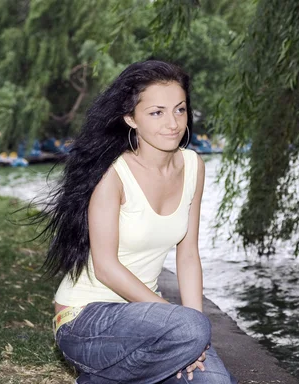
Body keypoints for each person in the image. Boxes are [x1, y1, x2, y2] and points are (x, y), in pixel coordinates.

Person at [36, 59, 238, 384]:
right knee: (190, 327)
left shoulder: (193, 166)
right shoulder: (113, 175)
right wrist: (183, 324)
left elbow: (188, 255)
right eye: (156, 112)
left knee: (216, 380)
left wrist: (196, 339)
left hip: (147, 320)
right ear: (131, 118)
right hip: (85, 319)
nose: (173, 123)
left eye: (180, 110)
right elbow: (105, 267)